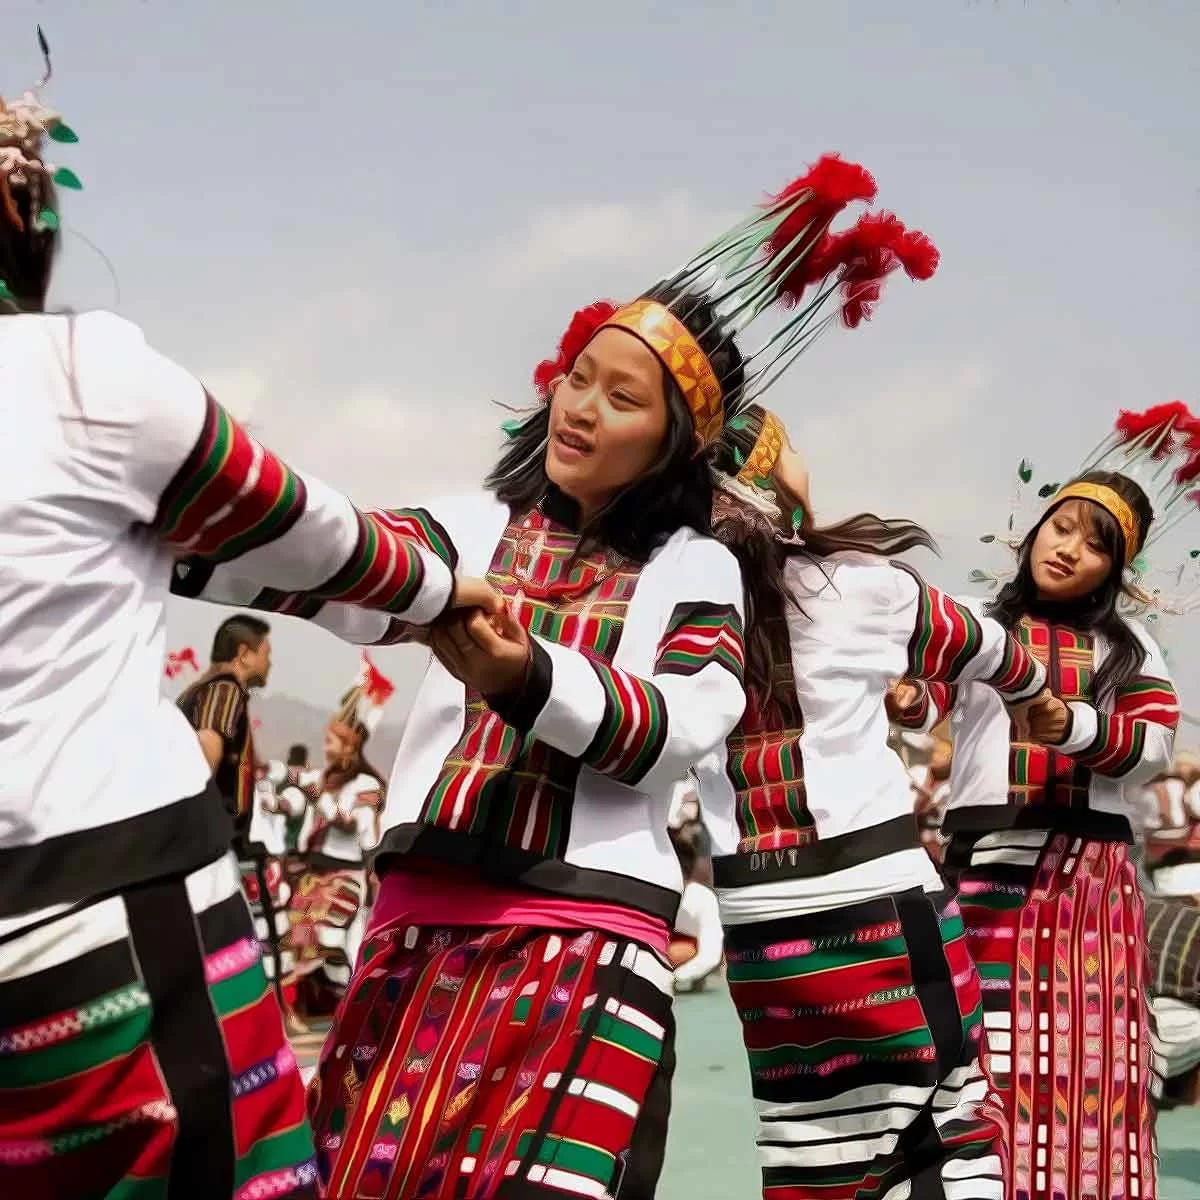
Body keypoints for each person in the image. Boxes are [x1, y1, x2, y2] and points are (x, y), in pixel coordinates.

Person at [172, 153, 887, 1199]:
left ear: (673, 442)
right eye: (579, 377)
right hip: (416, 932)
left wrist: (526, 673)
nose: (582, 407)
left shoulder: (695, 569)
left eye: (623, 397)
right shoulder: (471, 528)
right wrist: (164, 513)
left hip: (590, 946)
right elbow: (339, 563)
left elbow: (682, 723)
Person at [0, 35, 494, 1199]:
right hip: (104, 906)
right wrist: (439, 595)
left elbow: (217, 561)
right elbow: (305, 530)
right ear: (30, 219)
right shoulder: (85, 374)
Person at [697, 401, 1049, 1199]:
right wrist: (1034, 700)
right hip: (879, 900)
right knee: (945, 1135)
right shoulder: (863, 585)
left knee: (810, 1149)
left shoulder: (673, 601)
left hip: (757, 926)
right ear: (777, 475)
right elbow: (995, 652)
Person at [892, 403, 1196, 1200]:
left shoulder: (1130, 650)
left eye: (1098, 544)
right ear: (1035, 529)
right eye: (1064, 526)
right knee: (981, 1068)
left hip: (1088, 890)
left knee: (1091, 1068)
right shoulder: (978, 628)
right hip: (983, 876)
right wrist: (900, 698)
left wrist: (1073, 723)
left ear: (1116, 569)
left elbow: (1152, 748)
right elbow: (923, 702)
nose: (1071, 549)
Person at [287, 656, 391, 1018]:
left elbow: (351, 824)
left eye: (331, 740)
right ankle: (329, 1009)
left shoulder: (367, 785)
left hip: (347, 877)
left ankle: (350, 1007)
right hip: (315, 874)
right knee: (301, 938)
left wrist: (321, 800)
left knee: (331, 940)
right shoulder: (325, 779)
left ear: (349, 747)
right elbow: (297, 807)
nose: (326, 745)